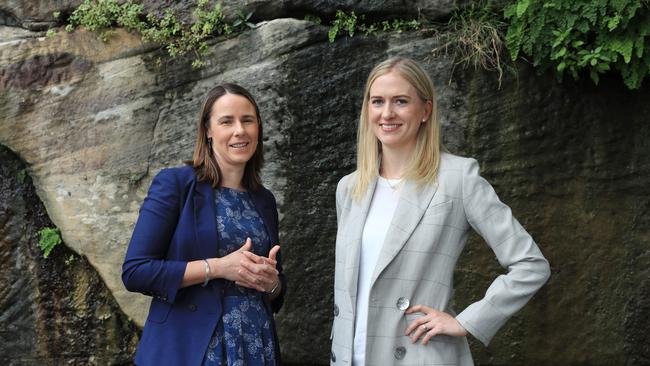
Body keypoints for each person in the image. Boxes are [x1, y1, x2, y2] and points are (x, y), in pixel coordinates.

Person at [330, 57, 550, 365]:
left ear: (426, 111)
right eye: (377, 101)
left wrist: (465, 321)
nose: (387, 113)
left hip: (419, 355)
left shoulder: (457, 178)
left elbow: (531, 265)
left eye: (401, 101)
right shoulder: (350, 188)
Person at [122, 83, 285, 366]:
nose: (239, 130)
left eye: (247, 120)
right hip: (191, 349)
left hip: (255, 347)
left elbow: (276, 292)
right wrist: (219, 267)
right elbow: (136, 271)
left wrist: (272, 283)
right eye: (226, 121)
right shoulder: (176, 184)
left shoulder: (264, 200)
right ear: (208, 131)